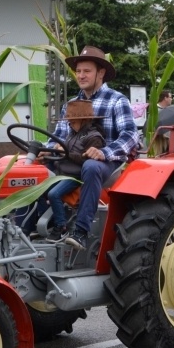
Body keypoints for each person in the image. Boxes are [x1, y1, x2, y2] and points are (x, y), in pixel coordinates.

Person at [51, 46, 138, 250]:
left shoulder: (116, 100)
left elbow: (130, 134)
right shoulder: (72, 104)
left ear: (101, 73)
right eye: (78, 71)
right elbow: (60, 135)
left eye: (86, 71)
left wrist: (104, 152)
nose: (81, 75)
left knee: (90, 166)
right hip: (73, 159)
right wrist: (49, 148)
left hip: (108, 163)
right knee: (34, 168)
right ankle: (41, 227)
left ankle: (80, 231)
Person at [45, 100, 105, 242]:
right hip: (62, 172)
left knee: (53, 194)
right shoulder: (72, 134)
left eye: (72, 121)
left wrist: (64, 154)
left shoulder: (94, 138)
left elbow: (86, 161)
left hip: (74, 176)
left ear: (83, 120)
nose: (69, 123)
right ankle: (41, 224)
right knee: (38, 188)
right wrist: (52, 152)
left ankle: (61, 226)